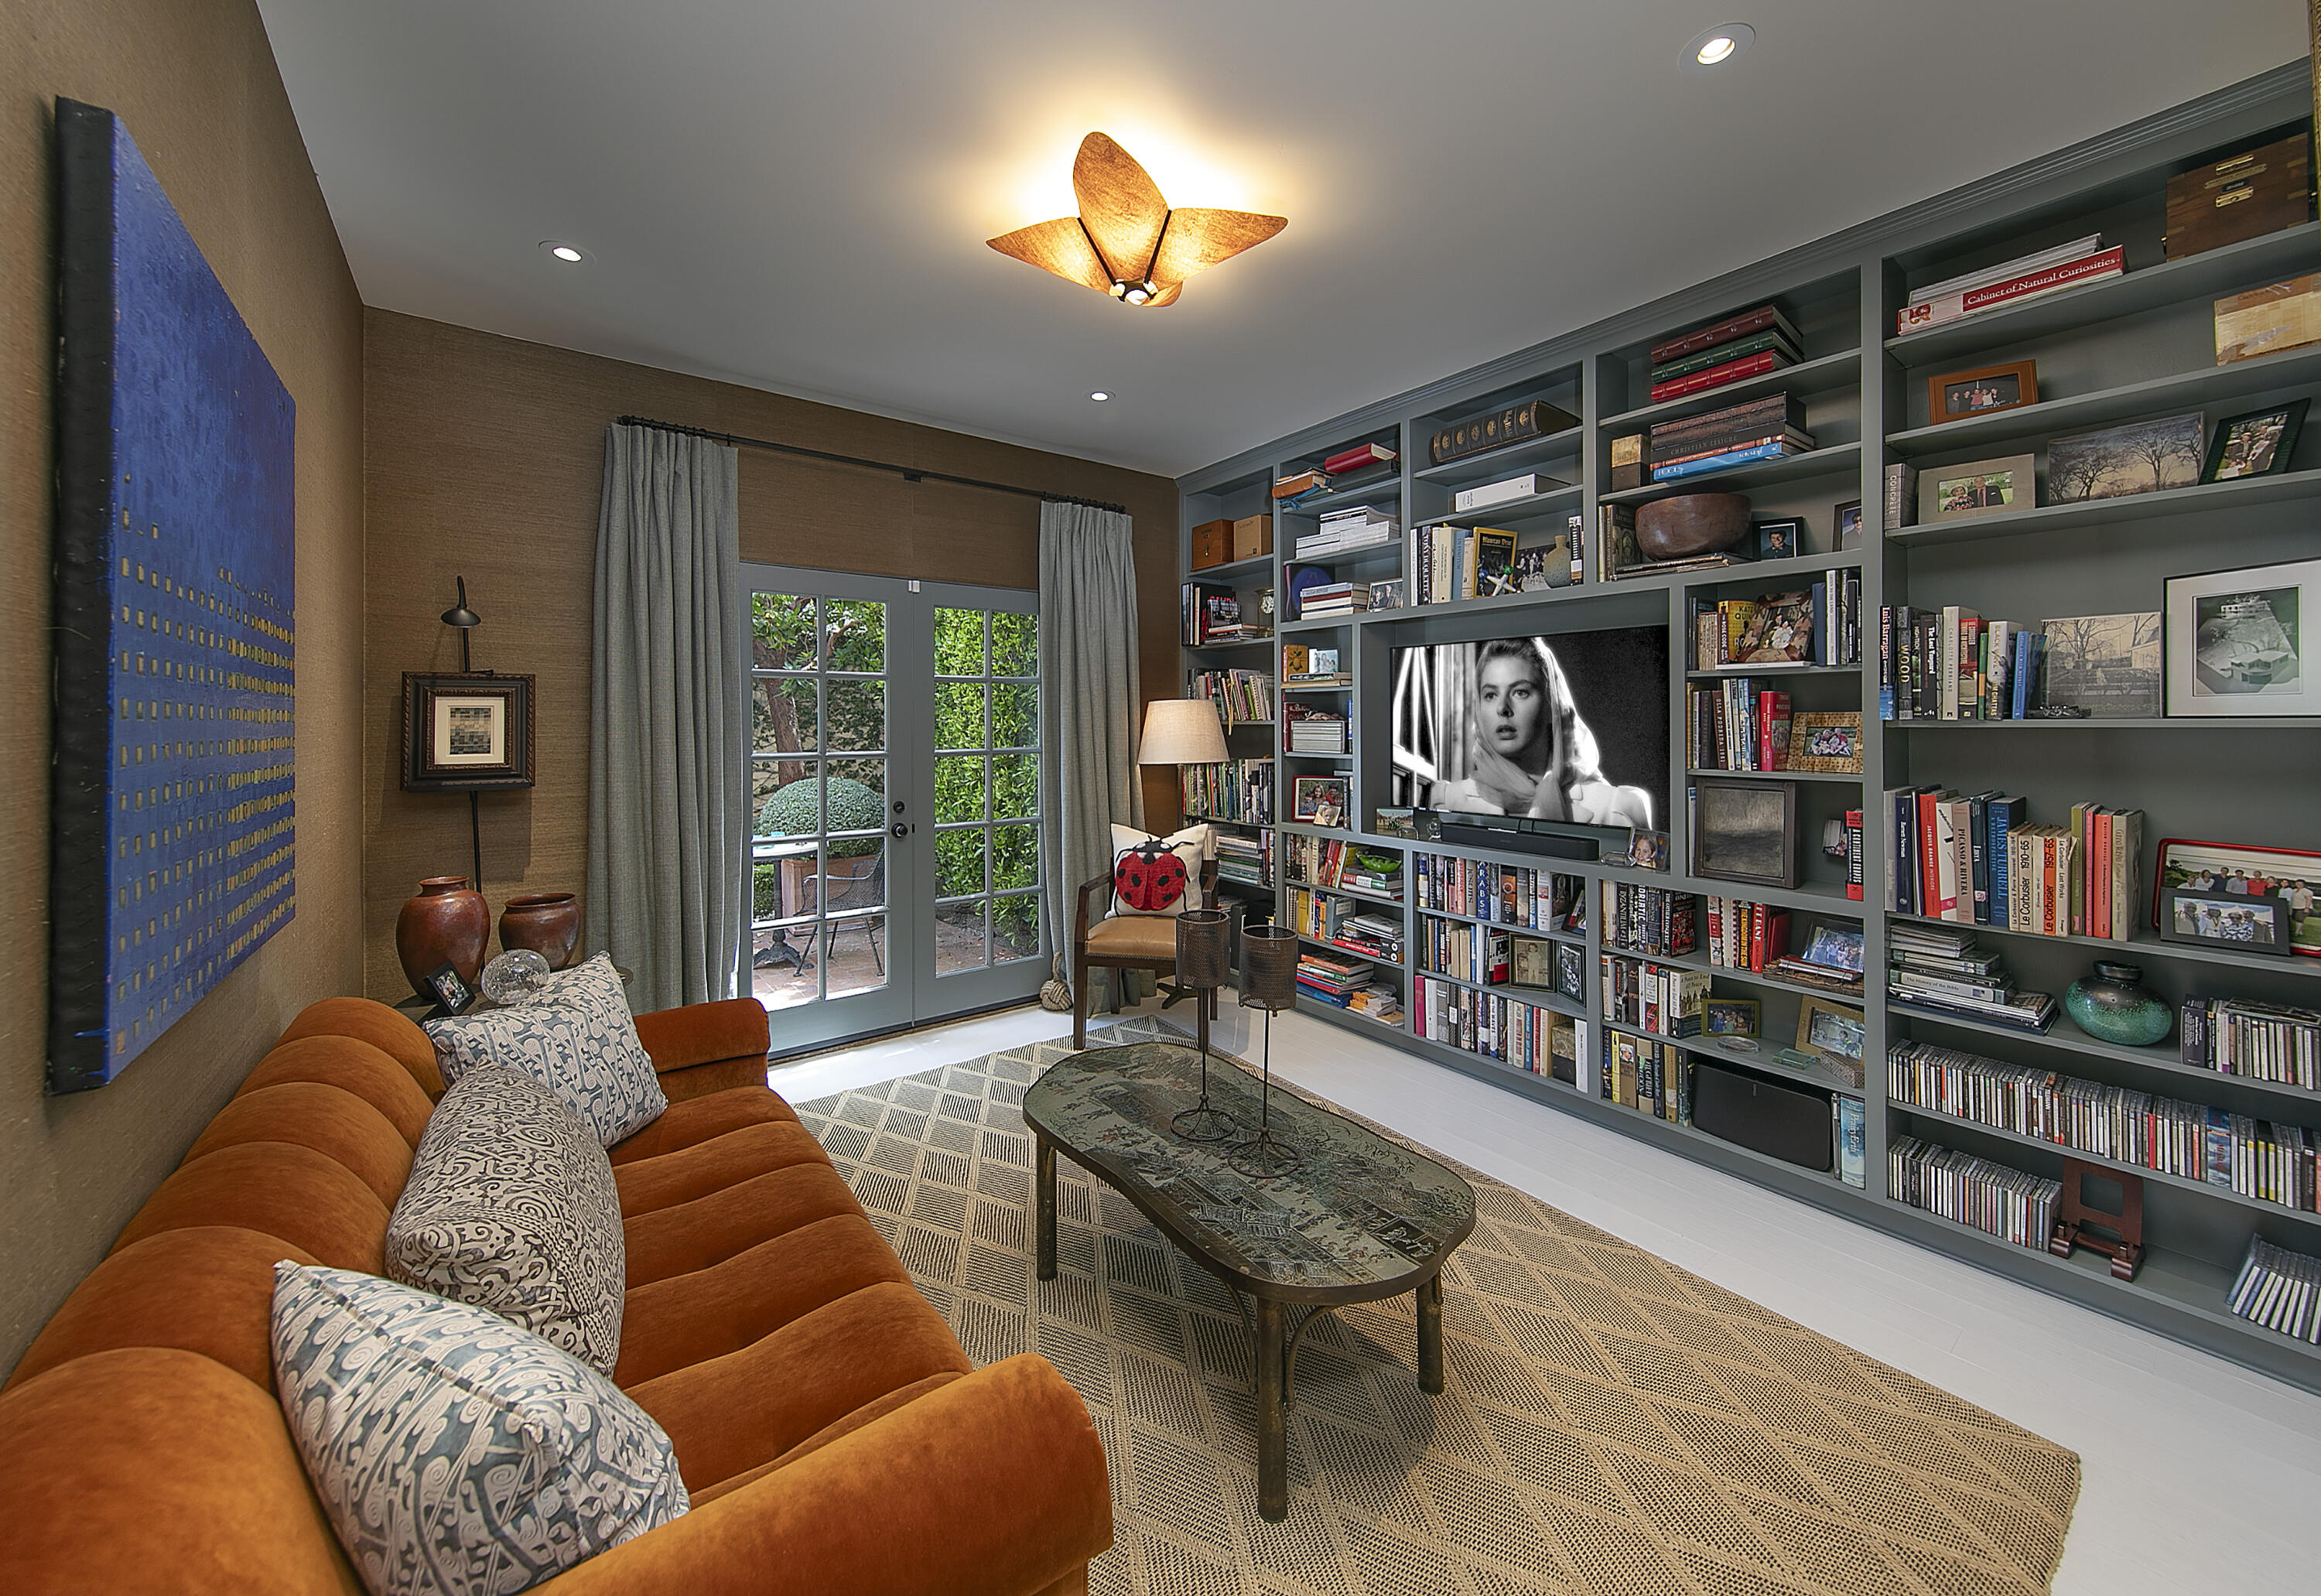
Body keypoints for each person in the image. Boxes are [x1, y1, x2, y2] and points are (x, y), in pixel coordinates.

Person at [1428, 637, 1655, 828]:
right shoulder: (1449, 803)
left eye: (1520, 692)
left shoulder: (1616, 808)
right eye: (1490, 695)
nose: (1502, 708)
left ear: (1551, 706)